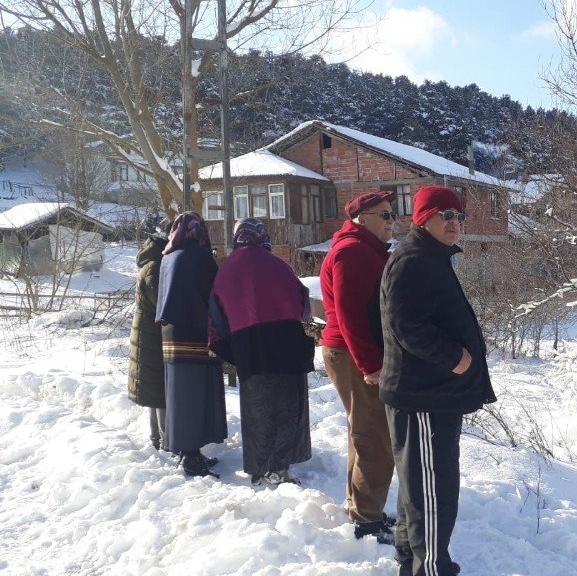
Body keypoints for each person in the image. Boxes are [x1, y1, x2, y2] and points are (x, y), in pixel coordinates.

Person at [379, 185, 496, 576]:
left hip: (426, 393)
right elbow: (407, 326)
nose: (454, 221)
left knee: (420, 484)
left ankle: (413, 559)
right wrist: (457, 359)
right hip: (422, 394)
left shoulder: (428, 257)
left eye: (459, 215)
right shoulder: (413, 261)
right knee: (434, 488)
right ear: (421, 216)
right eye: (444, 213)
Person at [209, 218, 314, 487]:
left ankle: (259, 466)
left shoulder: (227, 269)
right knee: (286, 407)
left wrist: (228, 348)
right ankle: (280, 466)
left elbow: (217, 315)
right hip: (285, 343)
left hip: (249, 348)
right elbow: (302, 301)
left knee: (257, 408)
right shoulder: (278, 264)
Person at [320, 190, 398, 542]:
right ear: (361, 218)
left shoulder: (363, 249)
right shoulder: (351, 253)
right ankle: (367, 520)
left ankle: (359, 505)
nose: (391, 221)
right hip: (353, 355)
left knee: (364, 431)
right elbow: (351, 316)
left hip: (351, 353)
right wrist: (370, 364)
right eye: (384, 215)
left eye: (392, 215)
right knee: (376, 437)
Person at [155, 211, 227, 478]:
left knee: (180, 392)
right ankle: (190, 456)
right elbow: (214, 293)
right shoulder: (199, 257)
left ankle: (188, 451)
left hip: (170, 332)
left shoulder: (168, 255)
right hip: (195, 331)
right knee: (196, 393)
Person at [127, 213, 170, 450]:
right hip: (151, 334)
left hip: (147, 332)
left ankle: (159, 440)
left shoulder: (151, 262)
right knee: (159, 390)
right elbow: (160, 303)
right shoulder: (155, 267)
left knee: (155, 390)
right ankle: (163, 441)